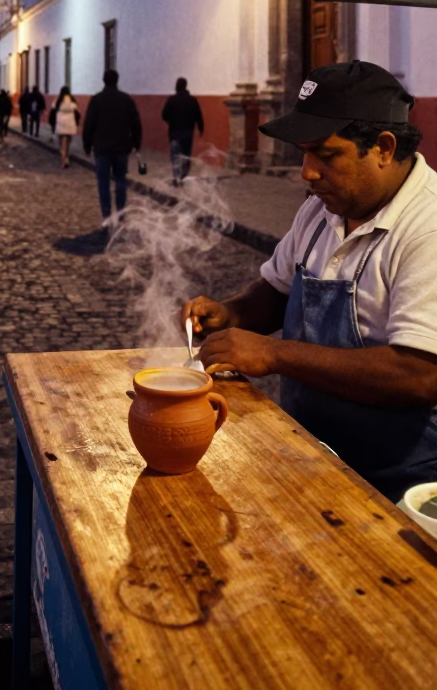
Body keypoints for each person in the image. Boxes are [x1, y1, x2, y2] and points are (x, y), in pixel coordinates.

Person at [181, 60, 437, 504]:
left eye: (326, 154)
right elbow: (277, 292)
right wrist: (229, 314)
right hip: (309, 457)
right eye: (303, 154)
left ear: (383, 146)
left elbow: (419, 375)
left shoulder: (427, 227)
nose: (307, 172)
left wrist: (274, 353)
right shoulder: (321, 211)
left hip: (398, 486)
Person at [82, 69, 142, 226]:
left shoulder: (96, 100)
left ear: (103, 80)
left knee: (103, 183)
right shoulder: (126, 100)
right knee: (121, 181)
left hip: (102, 149)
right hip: (121, 148)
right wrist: (137, 143)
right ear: (117, 80)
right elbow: (135, 123)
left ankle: (106, 216)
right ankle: (121, 214)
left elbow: (89, 125)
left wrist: (87, 145)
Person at [162, 77, 204, 186]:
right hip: (188, 132)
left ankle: (176, 178)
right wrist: (201, 128)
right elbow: (198, 116)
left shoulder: (172, 100)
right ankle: (183, 176)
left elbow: (164, 115)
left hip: (175, 132)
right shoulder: (192, 100)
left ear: (177, 86)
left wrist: (171, 121)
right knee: (186, 155)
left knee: (175, 156)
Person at [54, 85, 80, 168]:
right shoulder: (72, 101)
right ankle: (66, 157)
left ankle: (63, 158)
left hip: (60, 124)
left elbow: (53, 107)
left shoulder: (58, 101)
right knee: (68, 142)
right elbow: (77, 110)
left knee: (61, 143)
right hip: (70, 125)